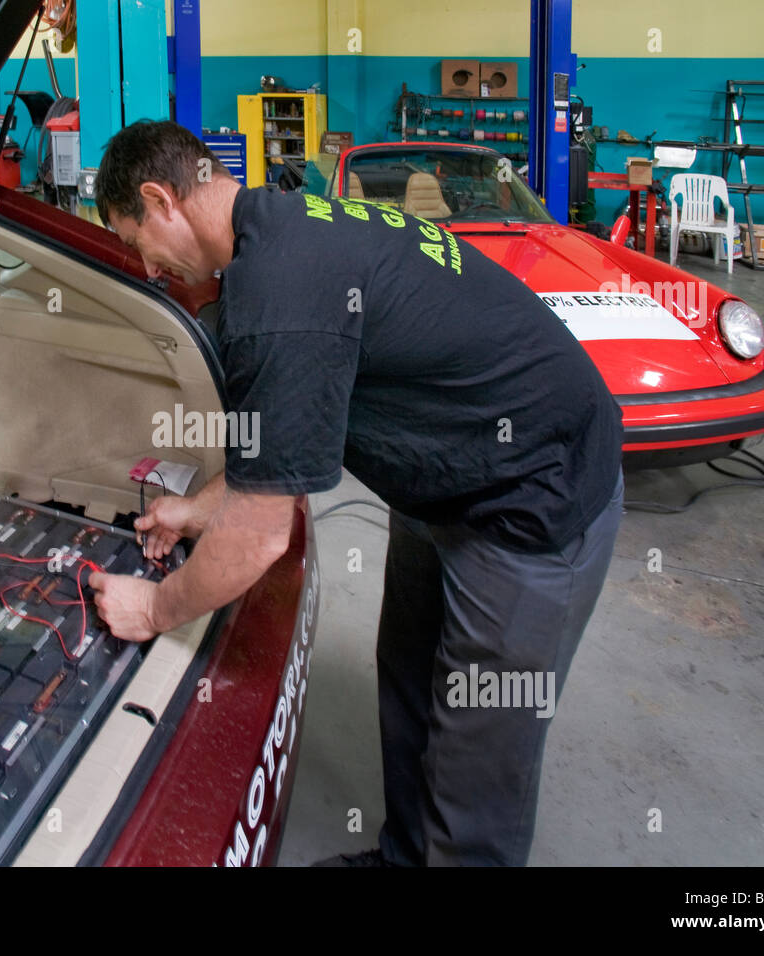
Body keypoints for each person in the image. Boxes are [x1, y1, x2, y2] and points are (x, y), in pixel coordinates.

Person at [86, 120, 624, 866]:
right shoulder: (283, 226)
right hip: (443, 486)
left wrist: (153, 607)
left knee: (478, 750)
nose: (145, 266)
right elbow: (279, 440)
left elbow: (263, 533)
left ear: (159, 199)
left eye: (135, 240)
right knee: (408, 687)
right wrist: (191, 508)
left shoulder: (281, 294)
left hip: (532, 496)